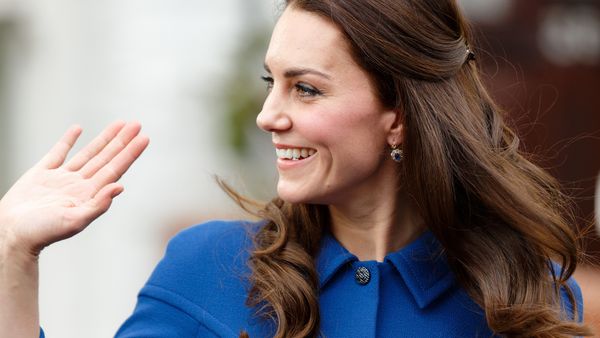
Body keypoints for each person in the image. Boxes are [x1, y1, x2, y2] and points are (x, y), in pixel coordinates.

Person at [0, 0, 594, 337]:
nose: (268, 116)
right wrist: (13, 255)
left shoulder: (522, 294)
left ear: (399, 116)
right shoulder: (208, 269)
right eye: (271, 83)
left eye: (305, 89)